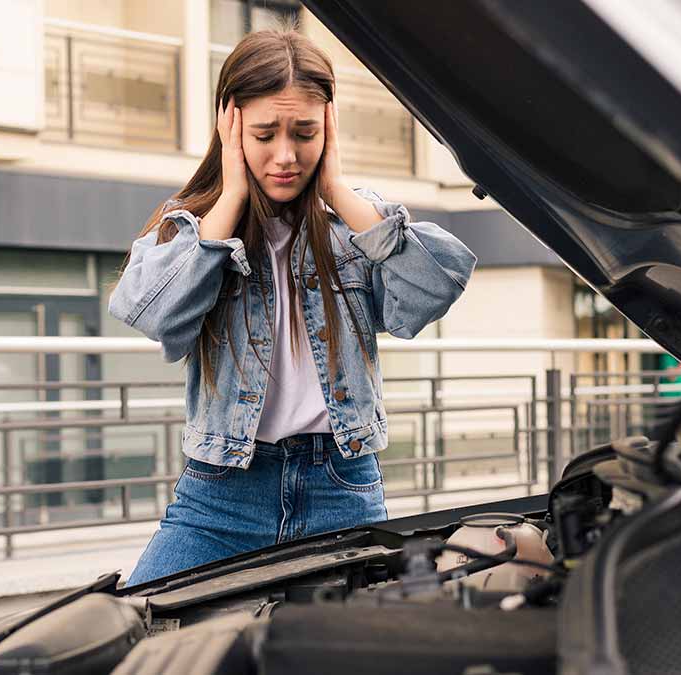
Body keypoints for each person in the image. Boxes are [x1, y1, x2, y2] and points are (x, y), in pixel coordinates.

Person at [108, 29, 477, 585]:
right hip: (222, 494)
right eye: (263, 134)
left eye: (305, 133)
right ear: (229, 128)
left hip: (343, 486)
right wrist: (231, 197)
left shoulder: (356, 224)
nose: (286, 155)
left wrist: (338, 189)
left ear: (328, 128)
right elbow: (152, 314)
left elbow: (434, 288)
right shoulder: (194, 225)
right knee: (140, 627)